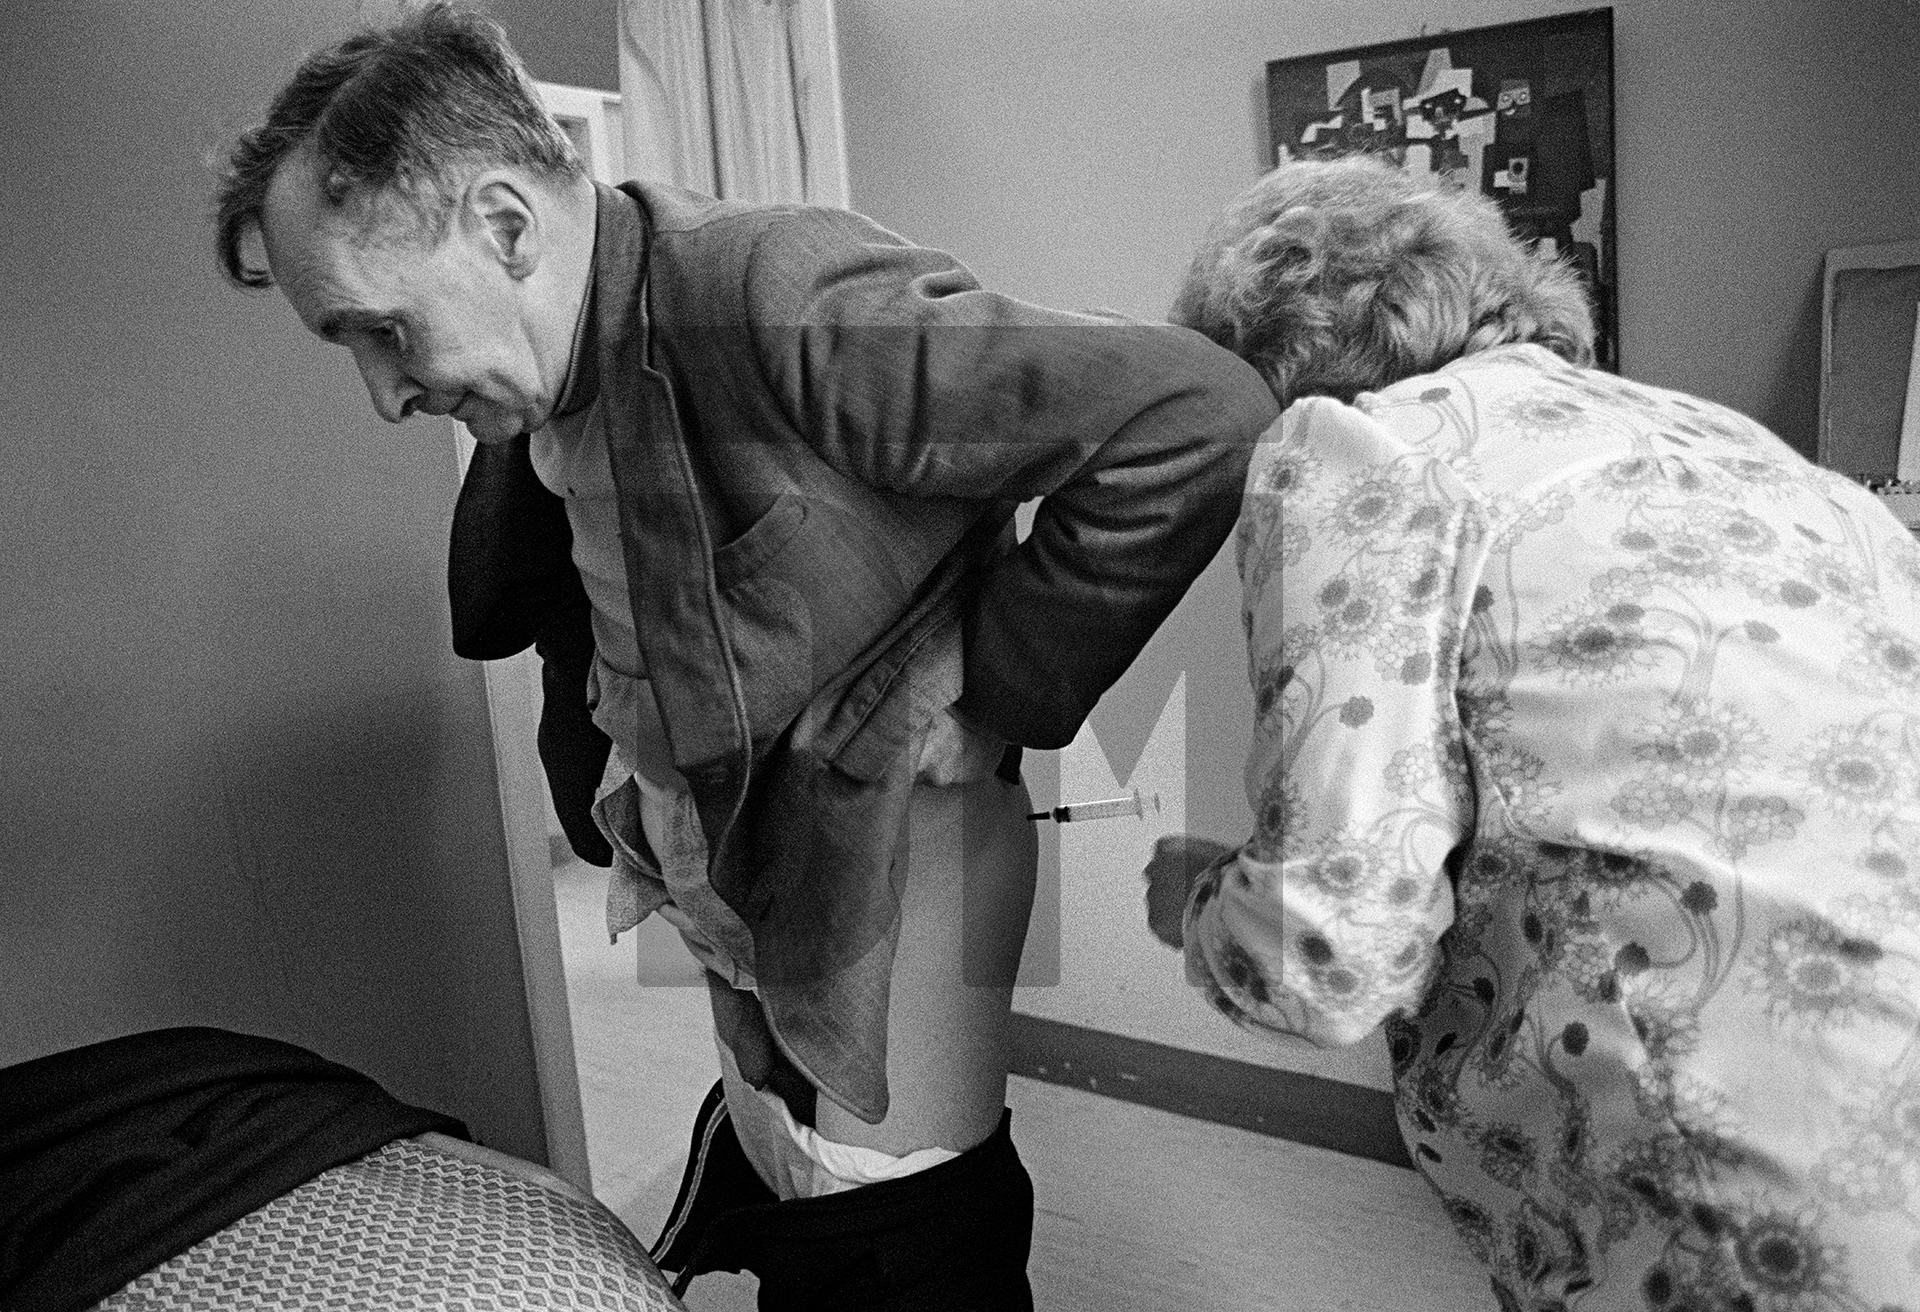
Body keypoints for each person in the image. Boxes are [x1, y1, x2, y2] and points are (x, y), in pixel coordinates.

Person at [212, 6, 1277, 1307]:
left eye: (383, 330)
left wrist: (998, 691)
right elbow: (583, 592)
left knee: (899, 1241)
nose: (386, 394)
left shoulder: (771, 292)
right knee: (787, 1175)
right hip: (733, 853)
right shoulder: (556, 380)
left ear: (502, 226)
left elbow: (1196, 419)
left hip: (893, 852)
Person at [1150, 152, 1920, 1310]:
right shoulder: (1766, 462)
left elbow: (1328, 948)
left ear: (1261, 364)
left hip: (1756, 1194)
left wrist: (1203, 905)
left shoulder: (1354, 448)